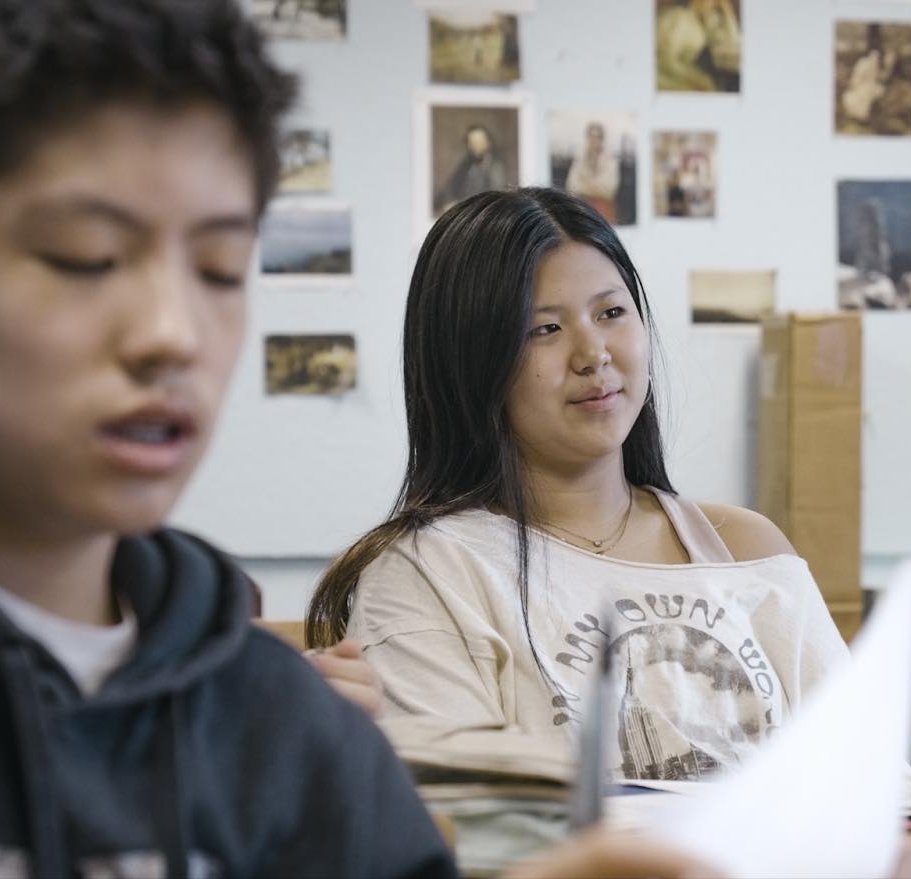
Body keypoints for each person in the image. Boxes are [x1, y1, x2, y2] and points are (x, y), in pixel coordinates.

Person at [0, 3, 716, 876]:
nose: (172, 332)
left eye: (220, 270)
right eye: (85, 256)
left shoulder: (280, 724)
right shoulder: (423, 582)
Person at [305, 187, 850, 784]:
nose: (594, 354)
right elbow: (476, 828)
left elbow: (873, 788)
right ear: (469, 361)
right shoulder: (427, 573)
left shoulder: (748, 548)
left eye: (612, 313)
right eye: (544, 329)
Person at [435, 124, 508, 216]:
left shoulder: (495, 167)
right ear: (468, 145)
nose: (476, 145)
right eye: (472, 142)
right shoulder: (466, 163)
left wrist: (459, 205)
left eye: (480, 141)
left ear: (488, 142)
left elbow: (495, 196)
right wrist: (449, 201)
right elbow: (451, 187)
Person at [563, 123, 620, 223]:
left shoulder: (611, 161)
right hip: (582, 210)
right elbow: (572, 186)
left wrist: (585, 184)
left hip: (603, 212)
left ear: (602, 139)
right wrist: (594, 186)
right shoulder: (580, 160)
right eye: (591, 137)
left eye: (597, 137)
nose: (594, 141)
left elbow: (608, 189)